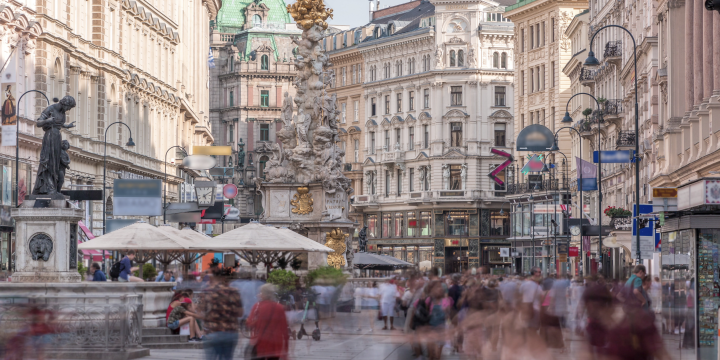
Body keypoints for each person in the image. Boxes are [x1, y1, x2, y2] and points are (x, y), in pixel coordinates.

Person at [202, 266, 244, 360]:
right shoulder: (234, 291)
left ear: (211, 277)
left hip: (212, 332)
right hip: (230, 332)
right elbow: (240, 313)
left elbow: (201, 313)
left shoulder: (207, 292)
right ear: (223, 277)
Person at [247, 284, 290, 360]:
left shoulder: (257, 306)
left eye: (260, 292)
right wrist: (285, 350)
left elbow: (250, 323)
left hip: (260, 343)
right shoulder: (279, 307)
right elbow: (285, 329)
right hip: (275, 345)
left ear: (263, 294)